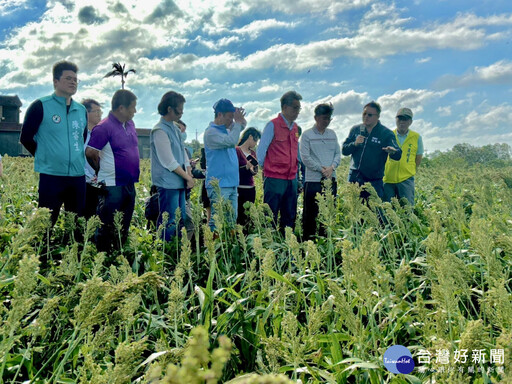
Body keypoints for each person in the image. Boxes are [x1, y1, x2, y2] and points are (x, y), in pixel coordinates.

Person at [20, 60, 87, 225]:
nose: (73, 82)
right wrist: (45, 156)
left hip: (78, 176)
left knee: (76, 225)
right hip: (51, 176)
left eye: (75, 79)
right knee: (46, 224)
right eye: (68, 78)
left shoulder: (81, 110)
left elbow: (81, 138)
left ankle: (74, 250)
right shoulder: (40, 106)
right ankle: (43, 251)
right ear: (55, 82)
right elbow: (26, 137)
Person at [85, 90, 139, 252]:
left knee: (123, 225)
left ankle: (119, 255)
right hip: (111, 184)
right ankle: (103, 258)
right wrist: (99, 170)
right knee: (107, 225)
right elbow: (90, 152)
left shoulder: (130, 124)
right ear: (121, 108)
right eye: (133, 108)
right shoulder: (104, 127)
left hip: (129, 183)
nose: (135, 111)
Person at [150, 91, 194, 241]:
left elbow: (183, 154)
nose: (181, 113)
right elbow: (168, 161)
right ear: (169, 109)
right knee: (169, 221)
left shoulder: (175, 128)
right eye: (179, 110)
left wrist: (189, 173)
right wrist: (187, 177)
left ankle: (175, 250)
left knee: (180, 218)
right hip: (168, 183)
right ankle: (165, 250)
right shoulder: (160, 130)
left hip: (180, 181)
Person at [257, 90, 302, 232]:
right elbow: (261, 152)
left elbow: (297, 152)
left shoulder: (295, 128)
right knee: (270, 216)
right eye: (295, 108)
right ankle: (269, 248)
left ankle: (287, 249)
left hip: (291, 179)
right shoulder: (272, 125)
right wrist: (269, 169)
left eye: (299, 108)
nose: (298, 111)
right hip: (274, 178)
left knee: (289, 216)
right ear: (285, 107)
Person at [342, 101, 401, 199]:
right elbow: (344, 150)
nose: (366, 117)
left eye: (370, 115)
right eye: (364, 114)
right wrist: (355, 144)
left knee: (375, 212)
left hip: (374, 181)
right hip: (354, 179)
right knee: (353, 211)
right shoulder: (356, 129)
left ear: (378, 116)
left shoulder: (386, 133)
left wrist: (393, 151)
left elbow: (398, 154)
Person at [299, 103, 341, 240]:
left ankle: (325, 244)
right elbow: (305, 157)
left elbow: (337, 154)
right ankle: (308, 245)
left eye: (329, 118)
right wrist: (321, 169)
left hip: (330, 180)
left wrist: (332, 168)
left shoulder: (332, 134)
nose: (327, 121)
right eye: (324, 118)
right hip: (313, 181)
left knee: (328, 215)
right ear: (316, 117)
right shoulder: (307, 135)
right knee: (310, 216)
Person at [204, 99, 246, 230]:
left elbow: (241, 126)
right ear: (220, 115)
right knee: (217, 222)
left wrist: (240, 118)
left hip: (232, 183)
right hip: (219, 185)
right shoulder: (211, 133)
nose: (232, 121)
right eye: (230, 117)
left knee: (231, 221)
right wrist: (238, 123)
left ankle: (227, 249)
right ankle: (213, 249)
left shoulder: (226, 130)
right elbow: (232, 141)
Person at [383, 107, 423, 205]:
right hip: (388, 179)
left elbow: (418, 157)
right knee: (386, 212)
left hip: (406, 179)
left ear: (410, 122)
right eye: (399, 118)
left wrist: (409, 170)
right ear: (396, 120)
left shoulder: (416, 137)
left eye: (405, 119)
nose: (402, 122)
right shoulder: (388, 135)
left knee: (407, 212)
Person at [82, 99, 103, 219]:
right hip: (85, 183)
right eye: (96, 111)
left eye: (100, 111)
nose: (99, 114)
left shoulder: (102, 134)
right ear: (86, 113)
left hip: (101, 184)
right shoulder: (80, 135)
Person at [236, 127, 261, 227]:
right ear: (250, 137)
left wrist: (253, 170)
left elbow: (255, 170)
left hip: (251, 188)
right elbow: (234, 170)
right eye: (255, 140)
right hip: (240, 188)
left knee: (248, 216)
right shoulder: (237, 150)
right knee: (240, 216)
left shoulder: (253, 153)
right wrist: (246, 167)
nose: (255, 144)